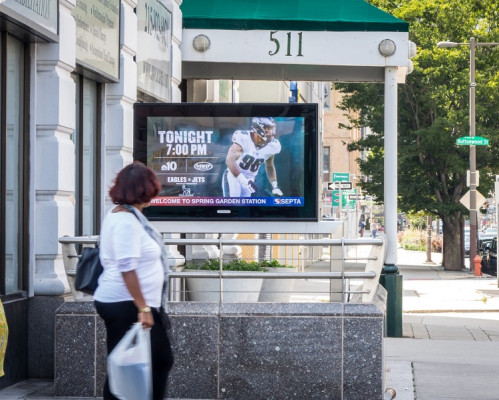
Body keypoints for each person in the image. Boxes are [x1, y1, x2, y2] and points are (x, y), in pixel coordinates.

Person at [94, 162, 174, 400]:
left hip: (128, 302)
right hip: (127, 304)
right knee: (154, 361)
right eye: (151, 189)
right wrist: (143, 308)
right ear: (143, 190)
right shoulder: (126, 222)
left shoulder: (125, 215)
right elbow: (127, 268)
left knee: (127, 365)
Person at [222, 117, 283, 197]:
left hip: (249, 181)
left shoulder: (273, 146)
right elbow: (230, 161)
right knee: (233, 203)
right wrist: (244, 181)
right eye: (267, 128)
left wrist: (274, 186)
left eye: (272, 128)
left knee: (243, 208)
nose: (271, 132)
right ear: (258, 128)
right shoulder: (243, 137)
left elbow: (269, 166)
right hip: (234, 176)